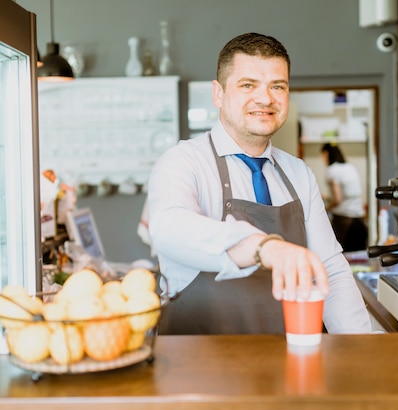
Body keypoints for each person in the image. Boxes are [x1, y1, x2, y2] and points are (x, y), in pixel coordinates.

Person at [148, 32, 371, 335]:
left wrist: (361, 345)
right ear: (218, 93)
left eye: (277, 86)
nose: (265, 99)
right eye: (248, 85)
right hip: (196, 369)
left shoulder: (298, 173)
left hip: (287, 365)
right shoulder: (183, 161)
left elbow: (329, 269)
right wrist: (263, 247)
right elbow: (168, 228)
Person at [321, 143, 368, 252]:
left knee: (343, 257)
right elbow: (348, 194)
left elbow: (337, 199)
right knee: (358, 258)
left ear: (326, 154)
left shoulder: (332, 170)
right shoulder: (349, 167)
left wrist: (324, 209)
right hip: (359, 221)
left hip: (345, 223)